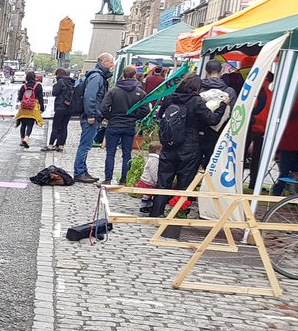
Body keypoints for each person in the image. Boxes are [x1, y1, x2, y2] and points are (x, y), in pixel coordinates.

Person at [148, 75, 226, 222]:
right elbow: (212, 120)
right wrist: (222, 106)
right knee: (184, 184)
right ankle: (177, 216)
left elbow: (160, 116)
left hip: (169, 145)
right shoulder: (196, 101)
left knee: (163, 182)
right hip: (189, 146)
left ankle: (156, 213)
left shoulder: (170, 97)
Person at [100, 65, 150, 185]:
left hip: (114, 125)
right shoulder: (140, 92)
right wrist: (134, 117)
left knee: (110, 153)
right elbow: (145, 110)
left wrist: (111, 117)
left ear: (123, 75)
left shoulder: (114, 90)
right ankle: (124, 180)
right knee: (127, 154)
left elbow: (103, 108)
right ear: (134, 76)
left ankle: (108, 179)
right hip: (129, 126)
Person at [74, 53, 115, 183]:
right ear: (103, 62)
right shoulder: (97, 77)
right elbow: (90, 97)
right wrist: (91, 114)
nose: (112, 65)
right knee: (85, 145)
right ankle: (79, 172)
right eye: (110, 62)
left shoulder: (97, 76)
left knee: (86, 145)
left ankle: (83, 170)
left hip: (93, 114)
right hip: (91, 116)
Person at [271, 79, 298, 196]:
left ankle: (279, 190)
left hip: (291, 135)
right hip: (292, 134)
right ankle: (294, 190)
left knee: (285, 165)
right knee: (292, 165)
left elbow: (287, 111)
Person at [199, 59, 239, 169]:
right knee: (213, 162)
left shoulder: (198, 88)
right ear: (221, 72)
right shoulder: (229, 91)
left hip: (198, 130)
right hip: (219, 132)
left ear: (206, 72)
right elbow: (233, 113)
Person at [43, 68, 75, 152]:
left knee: (55, 127)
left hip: (60, 107)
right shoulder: (72, 82)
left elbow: (54, 93)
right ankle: (61, 145)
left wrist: (55, 85)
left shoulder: (60, 81)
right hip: (69, 107)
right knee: (64, 126)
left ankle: (50, 145)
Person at [14, 71, 44, 148]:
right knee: (30, 124)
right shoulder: (38, 86)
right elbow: (40, 98)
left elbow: (20, 98)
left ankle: (22, 139)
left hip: (23, 109)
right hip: (33, 108)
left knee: (23, 124)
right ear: (34, 77)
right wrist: (42, 108)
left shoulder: (23, 87)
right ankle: (26, 138)